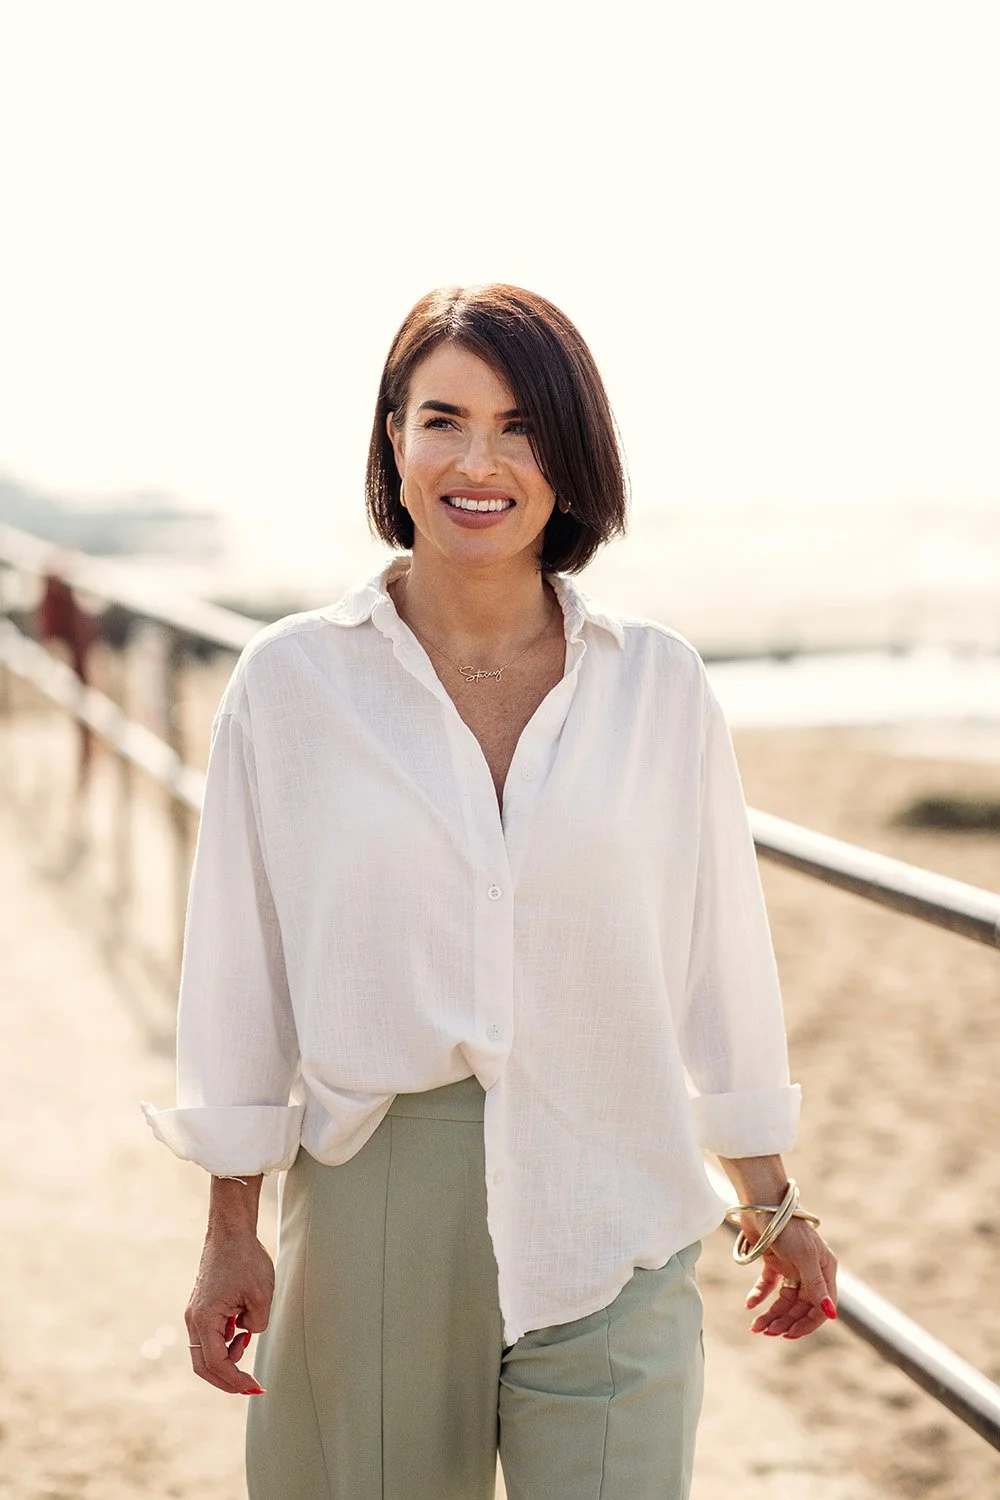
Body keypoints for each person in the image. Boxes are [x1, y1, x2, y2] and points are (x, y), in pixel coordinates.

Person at [142, 283, 837, 1500]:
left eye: (521, 428)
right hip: (381, 1208)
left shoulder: (658, 686)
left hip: (618, 1194)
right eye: (443, 420)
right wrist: (229, 1227)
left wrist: (771, 1201)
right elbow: (241, 974)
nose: (479, 462)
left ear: (572, 456)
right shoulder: (292, 683)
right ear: (393, 442)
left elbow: (717, 958)